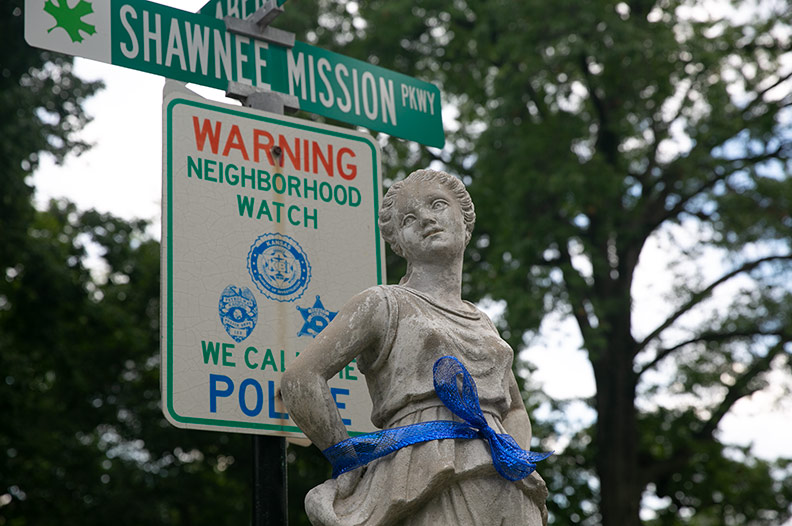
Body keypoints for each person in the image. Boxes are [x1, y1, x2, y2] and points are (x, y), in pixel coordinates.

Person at [281, 169, 549, 526]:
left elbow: (514, 408)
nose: (425, 218)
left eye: (438, 205)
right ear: (399, 242)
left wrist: (511, 456)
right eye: (409, 218)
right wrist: (346, 458)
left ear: (465, 222)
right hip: (425, 469)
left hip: (504, 484)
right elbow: (301, 379)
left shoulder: (483, 321)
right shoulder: (382, 303)